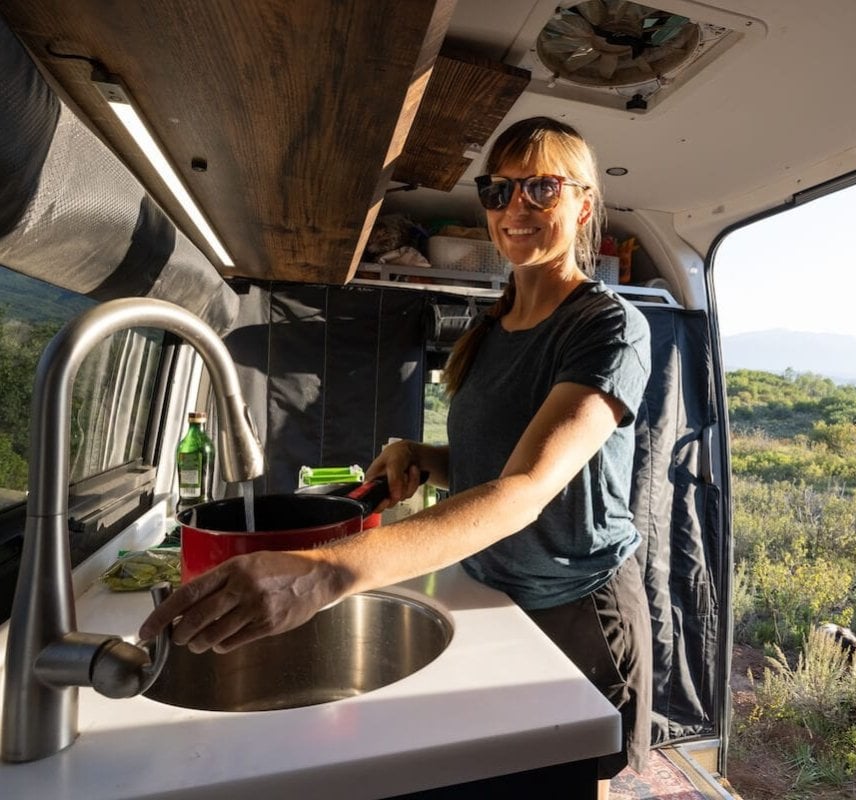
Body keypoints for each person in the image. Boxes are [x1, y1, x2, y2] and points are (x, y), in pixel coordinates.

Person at [140, 116, 652, 794]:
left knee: (572, 776)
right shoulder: (492, 327)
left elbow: (525, 488)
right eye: (499, 191)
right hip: (492, 592)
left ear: (583, 204)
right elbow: (490, 462)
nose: (515, 207)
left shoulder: (609, 327)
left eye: (542, 188)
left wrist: (324, 573)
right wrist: (423, 456)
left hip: (576, 609)